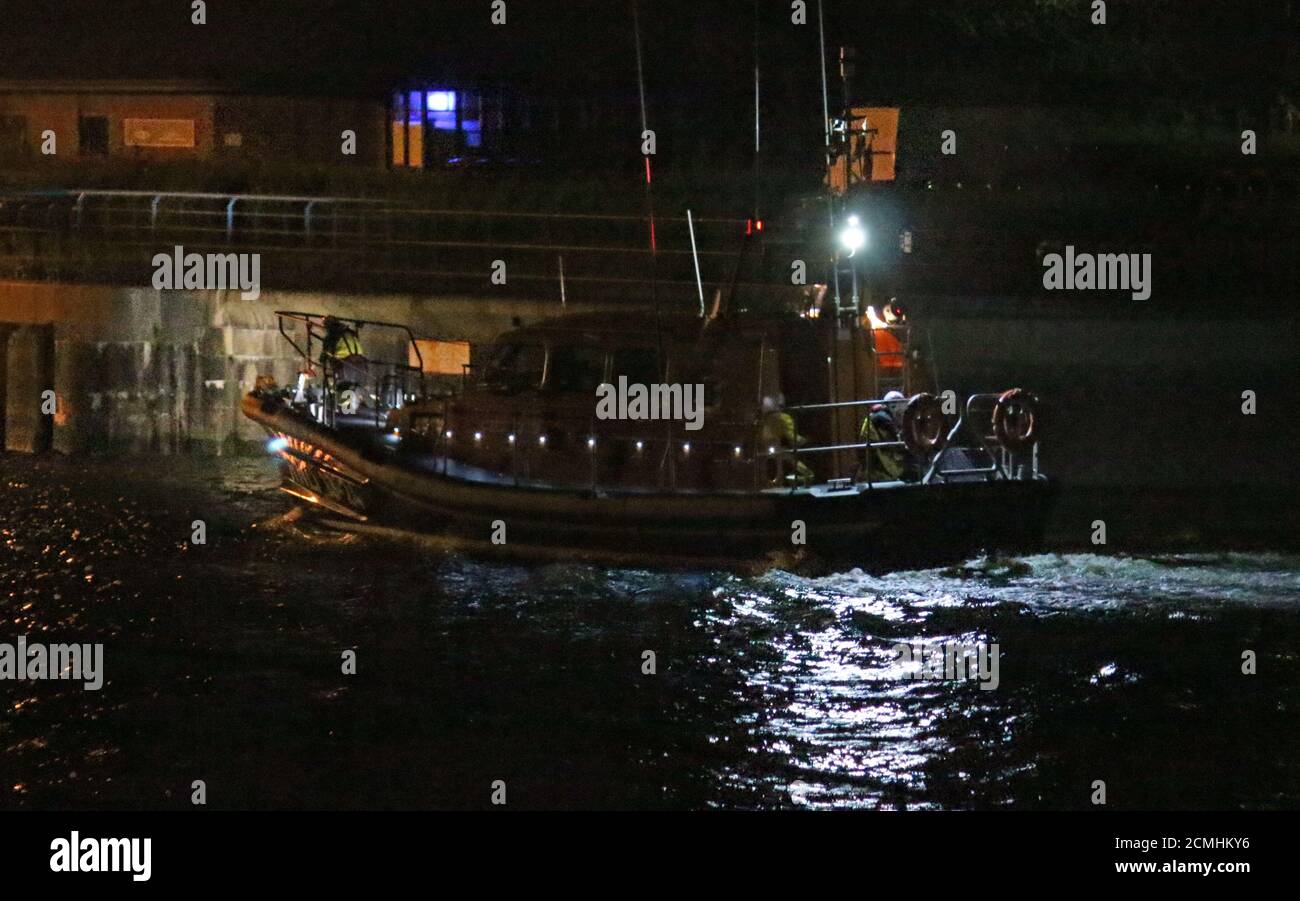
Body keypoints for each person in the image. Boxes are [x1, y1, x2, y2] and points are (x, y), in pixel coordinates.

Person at [760, 394, 814, 486]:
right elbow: (792, 437)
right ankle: (807, 476)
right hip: (778, 447)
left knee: (782, 460)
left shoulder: (764, 420)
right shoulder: (783, 418)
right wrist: (805, 440)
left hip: (769, 447)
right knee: (791, 460)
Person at [860, 390, 909, 482]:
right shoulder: (883, 420)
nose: (902, 415)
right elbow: (895, 448)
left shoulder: (878, 416)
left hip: (873, 465)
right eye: (900, 413)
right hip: (879, 471)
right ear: (894, 407)